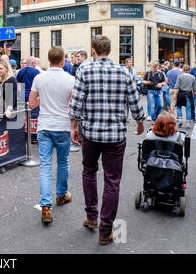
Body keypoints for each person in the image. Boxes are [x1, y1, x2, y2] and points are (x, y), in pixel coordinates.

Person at [69, 35, 145, 245]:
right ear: (110, 51)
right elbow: (135, 103)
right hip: (115, 135)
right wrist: (140, 123)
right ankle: (105, 231)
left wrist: (73, 126)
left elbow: (76, 103)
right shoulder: (124, 72)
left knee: (89, 172)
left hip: (91, 133)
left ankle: (92, 217)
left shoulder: (84, 70)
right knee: (112, 180)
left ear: (93, 50)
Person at [28, 47, 75, 224]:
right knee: (63, 162)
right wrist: (74, 125)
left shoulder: (39, 78)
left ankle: (46, 206)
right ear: (63, 60)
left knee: (45, 166)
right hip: (62, 125)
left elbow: (31, 104)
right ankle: (61, 195)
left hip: (45, 125)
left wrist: (43, 99)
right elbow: (73, 104)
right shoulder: (71, 79)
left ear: (48, 60)